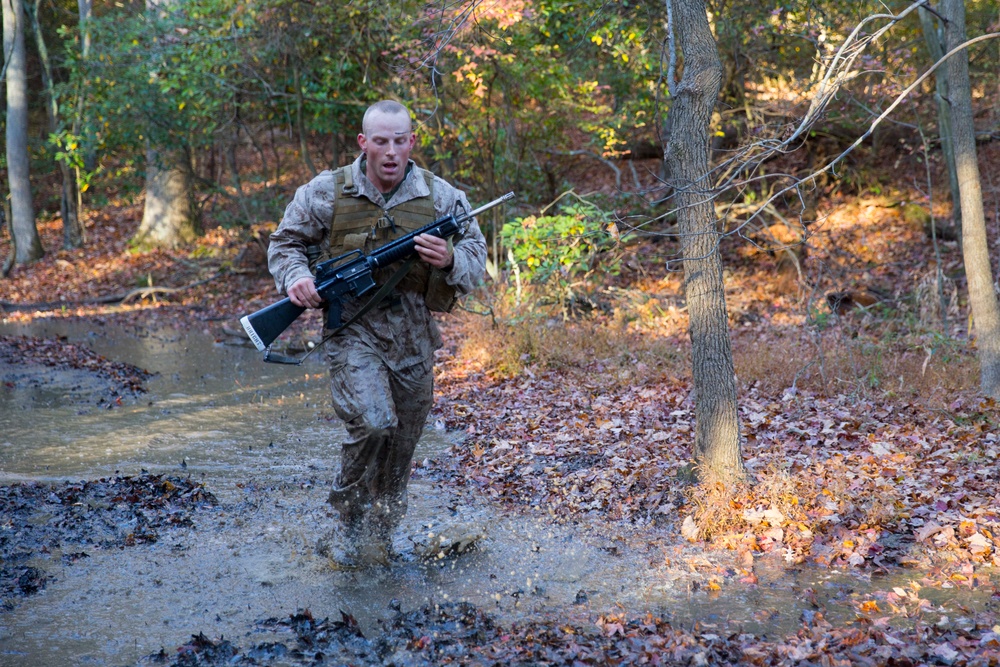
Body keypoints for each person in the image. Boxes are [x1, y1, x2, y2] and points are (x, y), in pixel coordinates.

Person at [267, 100, 487, 567]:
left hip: (413, 338)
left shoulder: (441, 196)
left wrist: (449, 260)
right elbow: (286, 243)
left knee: (400, 448)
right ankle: (347, 524)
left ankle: (382, 543)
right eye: (380, 141)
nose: (390, 152)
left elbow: (475, 253)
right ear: (364, 143)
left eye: (399, 141)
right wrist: (295, 279)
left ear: (412, 142)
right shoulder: (326, 192)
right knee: (373, 422)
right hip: (353, 330)